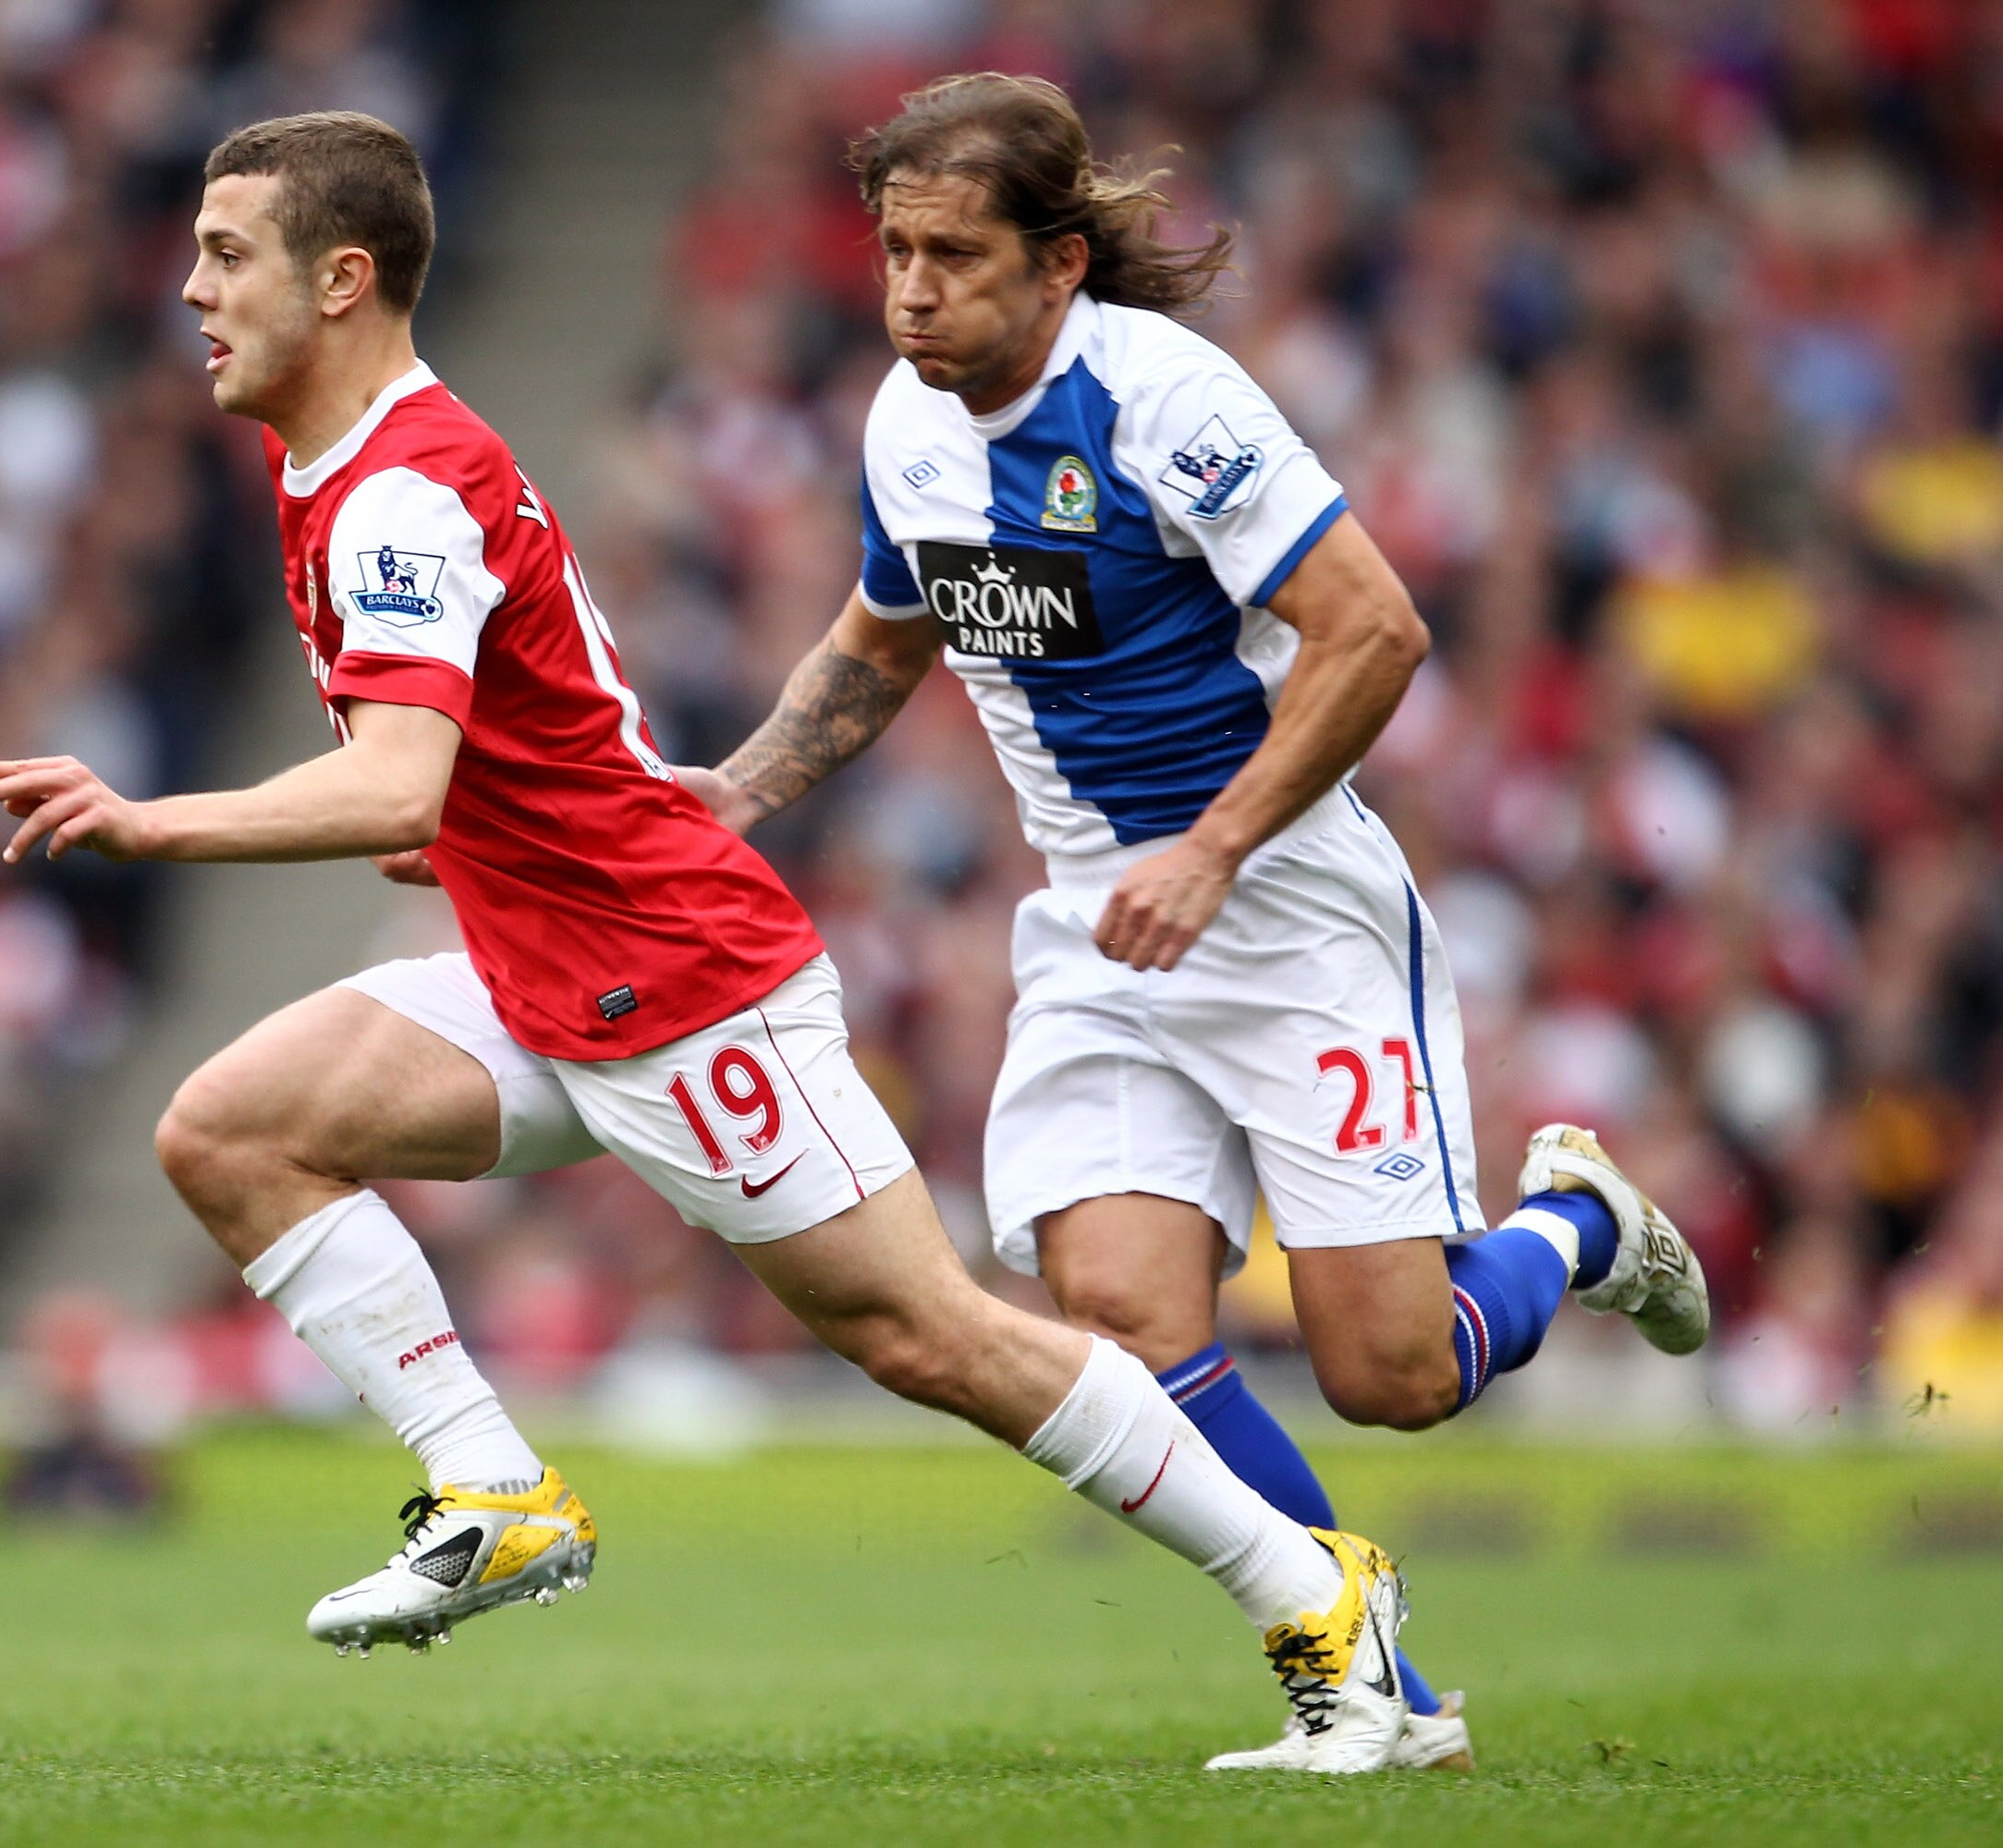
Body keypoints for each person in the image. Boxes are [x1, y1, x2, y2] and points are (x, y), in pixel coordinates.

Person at [0, 108, 1425, 1772]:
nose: (192, 290)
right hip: (547, 964)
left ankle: (1312, 1587)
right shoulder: (351, 463)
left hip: (677, 981)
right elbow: (491, 763)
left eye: (226, 256)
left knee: (930, 1338)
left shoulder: (396, 495)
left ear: (342, 278)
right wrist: (489, 834)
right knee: (229, 1132)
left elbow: (393, 782)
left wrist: (160, 817)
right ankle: (493, 1489)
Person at [678, 72, 1715, 1773]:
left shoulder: (1167, 403)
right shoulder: (905, 423)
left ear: (1061, 265)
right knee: (1129, 1325)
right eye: (893, 252)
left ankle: (1577, 1231)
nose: (913, 290)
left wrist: (1220, 848)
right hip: (1096, 926)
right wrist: (737, 791)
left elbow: (1372, 630)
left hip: (1286, 908)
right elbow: (880, 645)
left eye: (953, 255)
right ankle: (1367, 1675)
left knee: (1390, 1373)